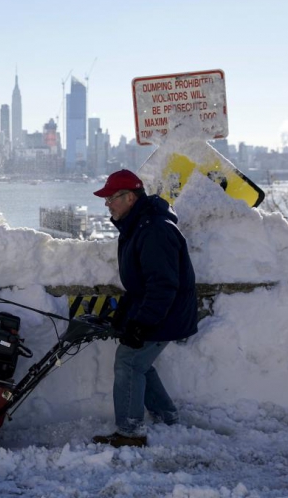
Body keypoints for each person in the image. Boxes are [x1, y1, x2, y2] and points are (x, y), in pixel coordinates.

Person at [91, 169, 198, 448]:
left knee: (128, 361)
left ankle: (130, 432)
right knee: (139, 363)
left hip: (166, 312)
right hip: (159, 310)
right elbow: (140, 283)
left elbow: (162, 285)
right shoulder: (138, 226)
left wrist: (142, 324)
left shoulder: (153, 229)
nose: (107, 204)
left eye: (111, 198)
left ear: (129, 197)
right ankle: (167, 417)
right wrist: (124, 317)